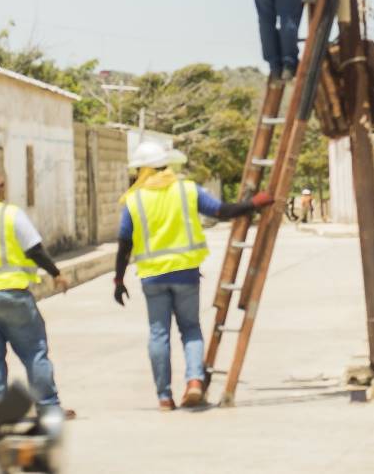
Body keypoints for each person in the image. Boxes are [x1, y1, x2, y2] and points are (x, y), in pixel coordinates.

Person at [112, 140, 273, 410]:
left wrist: (118, 280)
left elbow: (124, 244)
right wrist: (253, 204)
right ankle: (195, 381)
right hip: (186, 273)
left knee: (158, 334)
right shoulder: (187, 190)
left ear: (141, 170)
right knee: (190, 329)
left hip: (153, 277)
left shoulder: (134, 199)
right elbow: (222, 211)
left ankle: (164, 397)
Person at [0, 171, 74, 418]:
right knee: (34, 352)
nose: (6, 190)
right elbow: (35, 250)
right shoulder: (10, 214)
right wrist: (56, 273)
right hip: (11, 294)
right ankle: (48, 408)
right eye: (3, 186)